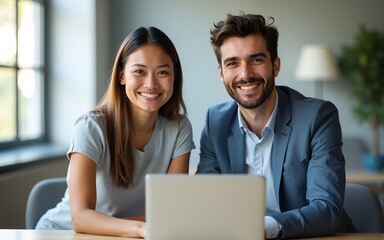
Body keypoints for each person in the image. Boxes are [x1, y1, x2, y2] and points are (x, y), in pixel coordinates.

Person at [196, 12, 356, 239]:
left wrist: (261, 228)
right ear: (221, 73)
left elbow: (327, 211)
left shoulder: (318, 117)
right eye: (233, 63)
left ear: (276, 65)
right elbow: (205, 202)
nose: (245, 74)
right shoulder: (215, 122)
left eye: (256, 60)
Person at [36, 26, 195, 238]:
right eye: (139, 71)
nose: (151, 83)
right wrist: (142, 227)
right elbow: (81, 218)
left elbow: (170, 211)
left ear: (174, 76)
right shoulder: (90, 127)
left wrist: (144, 226)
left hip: (125, 235)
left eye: (163, 72)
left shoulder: (179, 128)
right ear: (122, 76)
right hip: (62, 233)